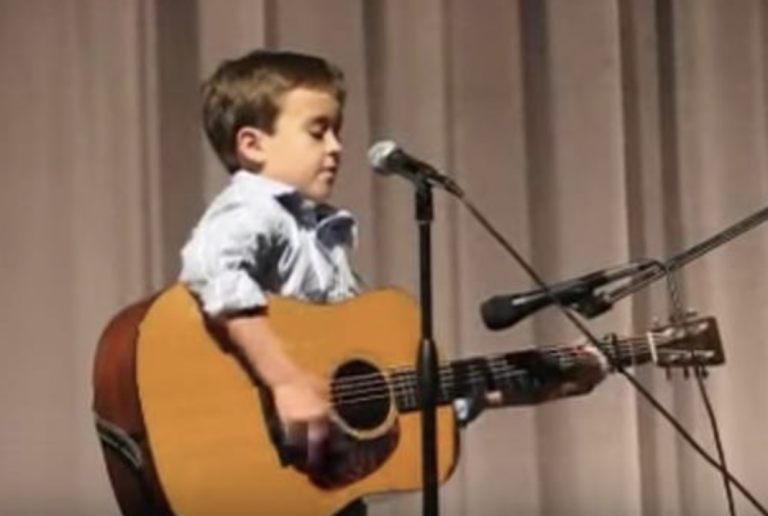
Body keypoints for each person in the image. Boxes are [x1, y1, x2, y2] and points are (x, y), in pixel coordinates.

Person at [179, 49, 607, 516]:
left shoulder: (320, 241)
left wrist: (537, 383)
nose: (337, 147)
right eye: (317, 131)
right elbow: (210, 267)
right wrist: (287, 382)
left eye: (337, 131)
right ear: (252, 145)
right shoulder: (255, 206)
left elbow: (385, 400)